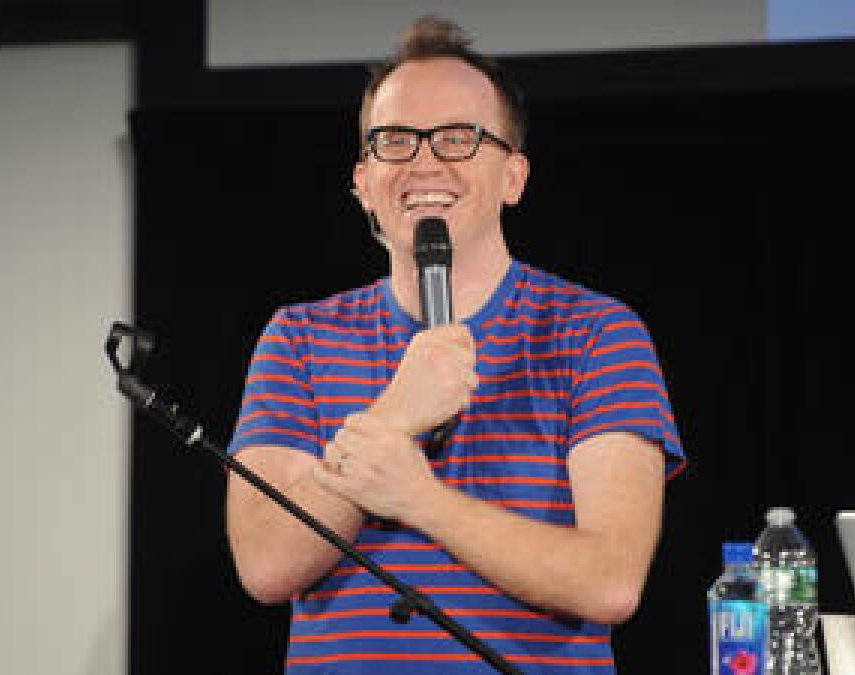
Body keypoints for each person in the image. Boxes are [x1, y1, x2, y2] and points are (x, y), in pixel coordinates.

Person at [226, 16, 685, 673]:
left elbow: (609, 579)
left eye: (457, 138)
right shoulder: (298, 338)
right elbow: (267, 562)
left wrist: (419, 496)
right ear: (363, 183)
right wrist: (394, 414)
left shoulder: (597, 334)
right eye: (394, 141)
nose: (423, 162)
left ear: (513, 177)